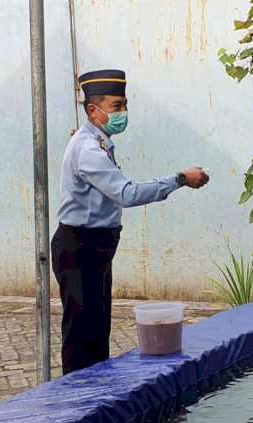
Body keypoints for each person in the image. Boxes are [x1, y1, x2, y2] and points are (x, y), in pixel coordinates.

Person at [53, 69, 209, 375]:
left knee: (96, 331)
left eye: (125, 105)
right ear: (93, 110)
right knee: (83, 336)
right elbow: (126, 193)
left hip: (94, 247)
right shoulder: (88, 149)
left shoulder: (97, 141)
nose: (123, 112)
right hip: (80, 247)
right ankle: (77, 404)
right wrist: (179, 179)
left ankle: (98, 399)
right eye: (116, 106)